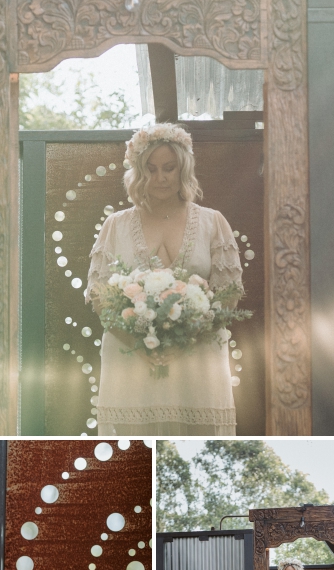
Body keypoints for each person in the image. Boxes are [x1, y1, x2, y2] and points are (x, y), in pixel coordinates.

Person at [87, 123, 244, 435]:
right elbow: (100, 297)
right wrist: (141, 345)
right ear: (139, 172)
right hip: (131, 360)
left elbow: (228, 296)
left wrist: (182, 344)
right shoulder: (115, 225)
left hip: (198, 359)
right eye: (151, 168)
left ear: (183, 168)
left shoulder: (213, 222)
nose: (160, 178)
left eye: (169, 168)